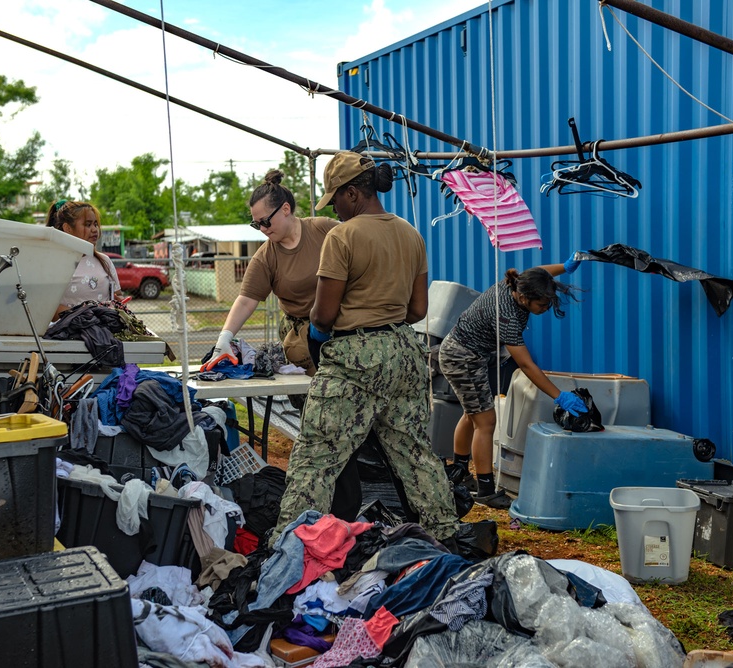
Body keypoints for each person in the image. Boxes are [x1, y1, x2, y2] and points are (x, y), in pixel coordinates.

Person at [271, 151, 459, 548]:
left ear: (353, 193)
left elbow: (322, 315)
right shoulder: (411, 233)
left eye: (335, 199)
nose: (334, 209)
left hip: (354, 357)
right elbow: (419, 309)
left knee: (316, 458)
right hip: (405, 352)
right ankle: (447, 537)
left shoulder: (343, 236)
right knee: (415, 453)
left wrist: (322, 337)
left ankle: (290, 547)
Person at [438, 260, 587, 508]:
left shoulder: (518, 283)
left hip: (463, 352)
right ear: (525, 298)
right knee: (486, 422)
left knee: (472, 413)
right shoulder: (506, 315)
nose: (546, 308)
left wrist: (566, 266)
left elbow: (540, 273)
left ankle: (460, 473)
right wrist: (559, 396)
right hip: (463, 357)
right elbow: (527, 366)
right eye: (542, 304)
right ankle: (485, 489)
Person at [202, 170, 338, 376]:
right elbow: (246, 300)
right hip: (301, 335)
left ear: (285, 209)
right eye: (257, 225)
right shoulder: (266, 256)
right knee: (310, 395)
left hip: (340, 326)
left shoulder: (324, 230)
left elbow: (358, 249)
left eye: (265, 221)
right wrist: (224, 339)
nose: (263, 229)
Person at [45, 199, 121, 317]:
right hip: (66, 334)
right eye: (88, 224)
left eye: (95, 224)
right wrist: (85, 316)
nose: (95, 229)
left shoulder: (104, 261)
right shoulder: (53, 263)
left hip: (103, 333)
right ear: (68, 228)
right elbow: (48, 309)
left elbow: (118, 295)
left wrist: (119, 303)